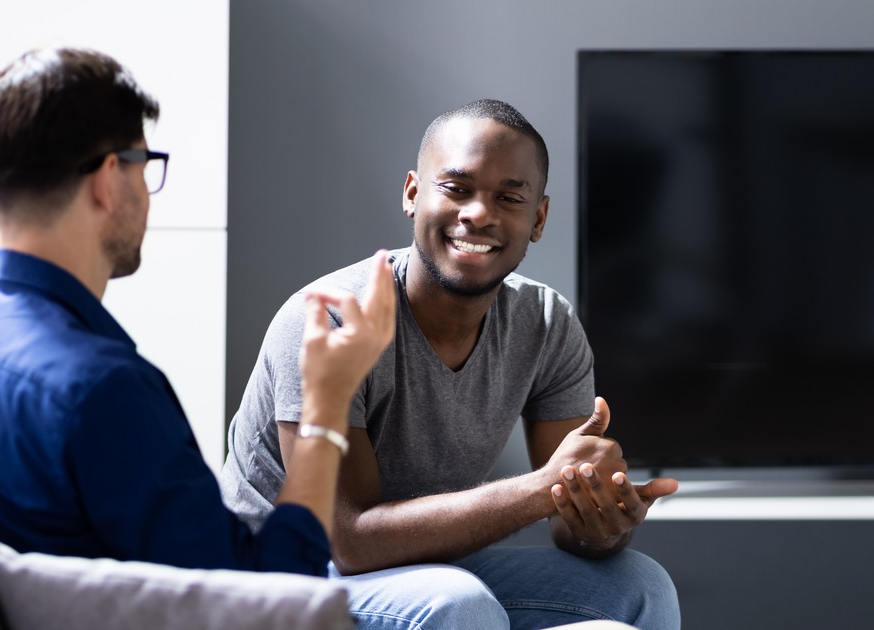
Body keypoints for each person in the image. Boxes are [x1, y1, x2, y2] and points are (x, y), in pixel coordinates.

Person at [0, 47, 395, 577]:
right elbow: (267, 595)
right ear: (109, 181)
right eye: (145, 164)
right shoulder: (103, 392)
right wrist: (326, 404)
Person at [220, 99, 682, 628]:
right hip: (278, 576)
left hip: (427, 571)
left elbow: (565, 515)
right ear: (412, 194)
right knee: (457, 602)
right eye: (456, 188)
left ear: (538, 218)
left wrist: (601, 521)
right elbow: (348, 541)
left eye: (509, 197)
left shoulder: (546, 323)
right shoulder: (331, 318)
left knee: (640, 586)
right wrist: (540, 489)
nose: (479, 213)